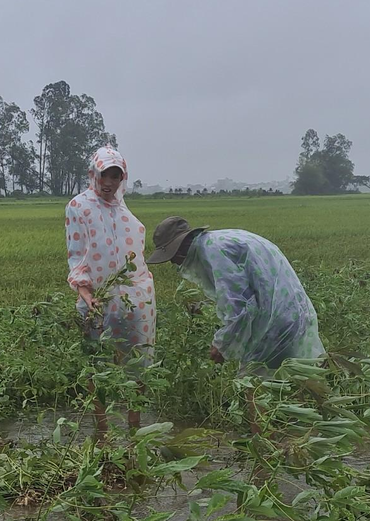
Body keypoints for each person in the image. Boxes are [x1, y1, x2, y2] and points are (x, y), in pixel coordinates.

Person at [146, 216, 325, 370]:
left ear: (180, 247)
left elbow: (241, 305)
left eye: (172, 257)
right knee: (298, 381)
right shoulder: (221, 239)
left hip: (273, 321)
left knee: (255, 387)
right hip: (290, 313)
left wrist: (223, 344)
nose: (174, 263)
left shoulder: (214, 252)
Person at [66, 146, 155, 433]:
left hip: (134, 299)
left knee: (138, 364)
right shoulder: (79, 206)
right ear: (94, 174)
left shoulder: (122, 207)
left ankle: (134, 428)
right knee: (96, 364)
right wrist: (86, 294)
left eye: (116, 177)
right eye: (105, 175)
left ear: (122, 179)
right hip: (97, 300)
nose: (109, 183)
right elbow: (77, 254)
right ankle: (102, 428)